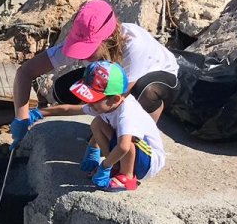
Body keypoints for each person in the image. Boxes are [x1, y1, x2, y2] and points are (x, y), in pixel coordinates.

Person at [10, 0, 180, 145]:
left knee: (146, 93)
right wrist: (21, 117)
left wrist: (97, 142)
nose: (84, 55)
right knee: (63, 90)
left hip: (159, 76)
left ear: (108, 39)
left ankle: (144, 134)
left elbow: (115, 103)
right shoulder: (85, 38)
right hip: (111, 71)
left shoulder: (135, 46)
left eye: (89, 50)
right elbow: (25, 72)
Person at [71, 61, 166, 192]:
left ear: (114, 99)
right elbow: (72, 110)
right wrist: (93, 149)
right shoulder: (110, 106)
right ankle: (116, 166)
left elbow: (124, 147)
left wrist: (104, 165)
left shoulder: (127, 112)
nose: (90, 103)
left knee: (128, 141)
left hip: (149, 162)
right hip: (135, 155)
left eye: (94, 99)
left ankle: (127, 177)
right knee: (97, 123)